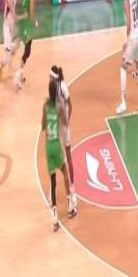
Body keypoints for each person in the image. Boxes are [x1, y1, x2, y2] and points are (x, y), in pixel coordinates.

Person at [42, 80, 77, 232]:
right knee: (65, 173)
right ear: (57, 91)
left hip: (47, 147)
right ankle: (70, 207)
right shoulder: (60, 107)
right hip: (56, 145)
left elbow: (43, 126)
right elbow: (65, 123)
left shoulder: (45, 107)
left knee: (53, 181)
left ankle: (55, 218)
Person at [50, 65, 76, 201]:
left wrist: (67, 120)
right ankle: (52, 191)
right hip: (56, 125)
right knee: (54, 155)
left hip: (63, 126)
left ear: (53, 77)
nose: (49, 78)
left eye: (50, 76)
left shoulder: (63, 87)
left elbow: (70, 105)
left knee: (67, 154)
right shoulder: (52, 87)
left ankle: (72, 187)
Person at [14, 0, 38, 90]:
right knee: (27, 50)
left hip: (22, 15)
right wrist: (35, 22)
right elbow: (32, 11)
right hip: (26, 20)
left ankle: (20, 72)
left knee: (23, 44)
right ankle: (17, 75)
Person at [0, 0, 20, 82]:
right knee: (7, 55)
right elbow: (14, 15)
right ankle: (0, 66)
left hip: (10, 27)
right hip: (7, 30)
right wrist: (24, 16)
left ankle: (10, 63)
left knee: (18, 44)